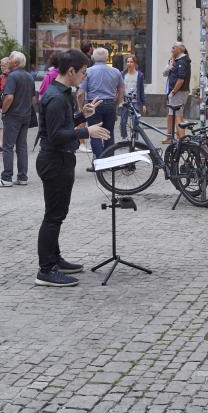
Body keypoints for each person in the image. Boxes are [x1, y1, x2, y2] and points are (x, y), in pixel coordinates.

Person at [34, 48, 110, 287]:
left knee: (57, 214)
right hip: (54, 160)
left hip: (61, 160)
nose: (85, 76)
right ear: (70, 71)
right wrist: (86, 130)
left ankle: (54, 259)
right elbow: (56, 135)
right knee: (53, 217)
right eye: (83, 71)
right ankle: (46, 270)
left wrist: (82, 116)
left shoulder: (62, 93)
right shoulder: (56, 97)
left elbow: (63, 125)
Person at [0, 51, 34, 188]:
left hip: (13, 116)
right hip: (25, 115)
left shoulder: (13, 76)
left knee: (8, 146)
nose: (8, 61)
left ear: (15, 63)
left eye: (10, 59)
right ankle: (22, 177)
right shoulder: (29, 76)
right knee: (22, 146)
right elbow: (33, 97)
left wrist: (4, 111)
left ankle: (7, 177)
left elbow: (9, 97)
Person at [78, 47, 123, 164]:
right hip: (110, 104)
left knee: (95, 134)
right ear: (107, 58)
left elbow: (80, 93)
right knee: (108, 133)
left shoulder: (88, 72)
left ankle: (99, 162)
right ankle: (109, 162)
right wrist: (116, 105)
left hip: (93, 104)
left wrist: (81, 108)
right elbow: (121, 91)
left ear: (93, 57)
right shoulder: (116, 72)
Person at [164, 42, 191, 143]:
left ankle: (182, 140)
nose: (172, 50)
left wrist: (173, 91)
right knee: (173, 115)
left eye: (174, 48)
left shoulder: (181, 62)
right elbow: (165, 73)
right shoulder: (178, 60)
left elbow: (181, 79)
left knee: (178, 116)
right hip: (178, 92)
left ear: (180, 49)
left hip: (178, 92)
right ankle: (172, 137)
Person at [119, 55, 146, 139]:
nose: (129, 63)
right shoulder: (122, 74)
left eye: (131, 62)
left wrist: (143, 104)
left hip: (135, 102)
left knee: (135, 122)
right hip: (125, 101)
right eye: (128, 62)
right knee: (123, 122)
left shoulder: (139, 75)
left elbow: (141, 90)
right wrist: (120, 100)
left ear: (134, 63)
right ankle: (124, 136)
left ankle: (135, 139)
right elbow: (119, 88)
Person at [77, 41, 94, 153]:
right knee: (82, 117)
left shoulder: (80, 58)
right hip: (83, 90)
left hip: (81, 89)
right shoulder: (87, 60)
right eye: (92, 47)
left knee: (81, 117)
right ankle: (81, 143)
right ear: (90, 48)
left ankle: (80, 141)